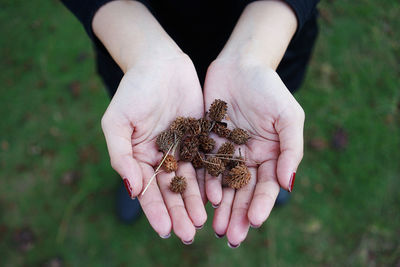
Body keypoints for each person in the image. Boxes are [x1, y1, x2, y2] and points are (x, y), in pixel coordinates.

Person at [62, 0, 319, 248]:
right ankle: (138, 178)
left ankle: (271, 166)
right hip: (141, 59)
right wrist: (141, 54)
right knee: (140, 140)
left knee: (266, 131)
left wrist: (255, 58)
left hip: (265, 44)